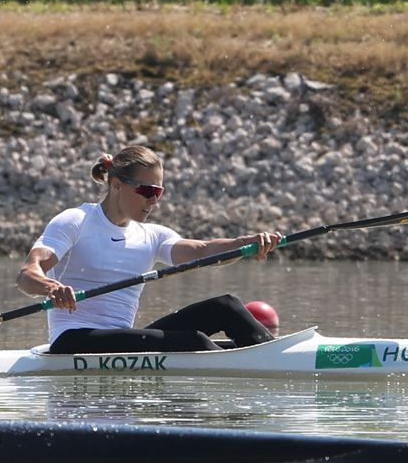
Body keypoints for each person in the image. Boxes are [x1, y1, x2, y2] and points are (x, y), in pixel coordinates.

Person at [15, 146, 282, 355]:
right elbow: (28, 274)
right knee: (192, 341)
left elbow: (203, 251)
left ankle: (276, 357)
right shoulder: (76, 221)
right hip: (73, 340)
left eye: (159, 192)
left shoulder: (152, 235)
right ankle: (262, 363)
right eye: (146, 190)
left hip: (119, 341)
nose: (153, 200)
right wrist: (51, 288)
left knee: (226, 307)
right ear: (117, 184)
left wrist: (245, 243)